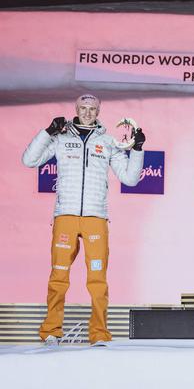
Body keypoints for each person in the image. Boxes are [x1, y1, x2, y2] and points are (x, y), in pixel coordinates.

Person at [22, 94, 146, 345]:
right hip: (66, 216)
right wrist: (47, 132)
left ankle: (99, 334)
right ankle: (51, 332)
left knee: (98, 280)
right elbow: (29, 160)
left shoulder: (109, 142)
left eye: (92, 109)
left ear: (99, 111)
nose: (87, 112)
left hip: (95, 218)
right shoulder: (61, 137)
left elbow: (130, 178)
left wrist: (138, 150)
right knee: (58, 277)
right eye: (83, 108)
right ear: (76, 109)